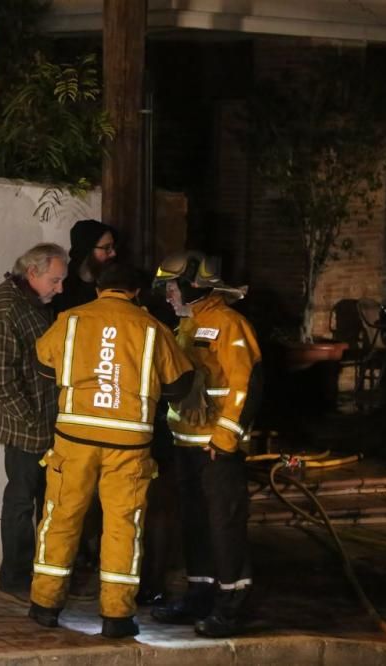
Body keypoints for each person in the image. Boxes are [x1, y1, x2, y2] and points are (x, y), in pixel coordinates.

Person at [27, 262, 196, 639]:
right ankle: (117, 616)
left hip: (74, 442)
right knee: (123, 527)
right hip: (129, 446)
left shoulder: (71, 320)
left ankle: (44, 606)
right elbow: (180, 386)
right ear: (135, 292)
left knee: (61, 519)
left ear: (99, 289)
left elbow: (41, 365)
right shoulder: (152, 328)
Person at [150, 250, 263, 638]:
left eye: (171, 286)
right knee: (195, 524)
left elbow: (246, 385)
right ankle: (200, 594)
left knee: (223, 524)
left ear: (192, 284)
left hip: (217, 449)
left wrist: (226, 439)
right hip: (187, 446)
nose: (168, 294)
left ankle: (233, 604)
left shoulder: (230, 324)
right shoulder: (188, 325)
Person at [0, 242, 69, 603]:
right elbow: (1, 380)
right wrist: (32, 423)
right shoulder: (5, 308)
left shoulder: (29, 302)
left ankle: (37, 573)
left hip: (42, 421)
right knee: (21, 500)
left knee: (42, 500)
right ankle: (15, 576)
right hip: (25, 427)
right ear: (32, 273)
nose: (59, 288)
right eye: (55, 280)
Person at [50, 218, 119, 600]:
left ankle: (89, 559)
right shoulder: (68, 294)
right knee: (67, 500)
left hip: (109, 410)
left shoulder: (113, 291)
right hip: (72, 413)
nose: (111, 255)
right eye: (104, 248)